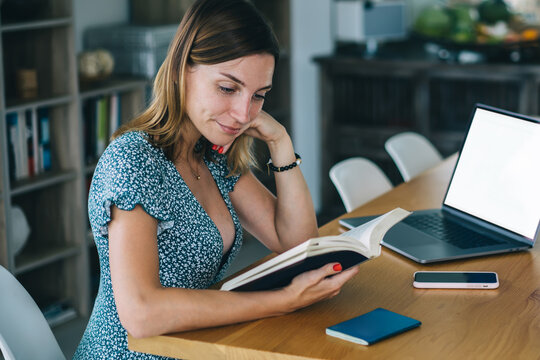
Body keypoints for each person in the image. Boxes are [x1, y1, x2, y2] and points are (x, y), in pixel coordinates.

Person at [73, 0, 359, 358]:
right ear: (182, 70)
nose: (243, 114)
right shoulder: (134, 159)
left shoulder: (211, 156)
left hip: (195, 348)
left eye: (259, 96)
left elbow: (298, 245)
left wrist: (280, 143)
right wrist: (281, 301)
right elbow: (141, 314)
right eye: (228, 88)